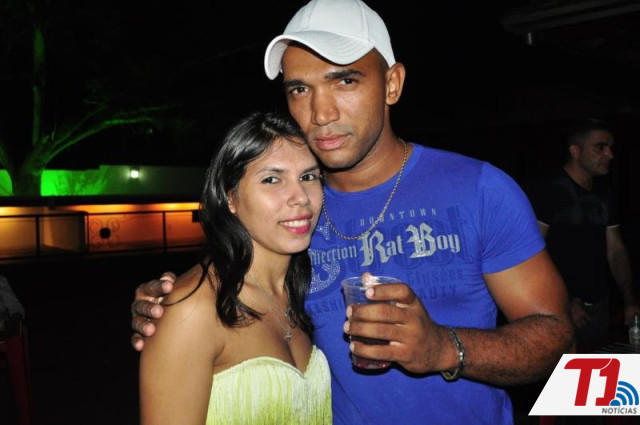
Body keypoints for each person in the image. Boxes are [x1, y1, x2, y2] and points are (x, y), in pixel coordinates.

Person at [131, 0, 574, 423]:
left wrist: (443, 348)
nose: (321, 113)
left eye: (345, 81)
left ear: (392, 84)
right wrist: (172, 309)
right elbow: (232, 292)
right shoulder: (293, 214)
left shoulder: (478, 188)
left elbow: (556, 333)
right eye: (300, 89)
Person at [138, 111, 331, 425]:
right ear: (230, 197)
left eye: (309, 177)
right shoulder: (193, 309)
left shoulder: (307, 289)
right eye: (272, 179)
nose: (300, 198)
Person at [525, 117, 639, 353]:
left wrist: (629, 300)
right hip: (556, 308)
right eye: (600, 147)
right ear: (576, 151)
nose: (609, 155)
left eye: (610, 148)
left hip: (599, 306)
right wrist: (564, 299)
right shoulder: (547, 191)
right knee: (563, 373)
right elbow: (531, 253)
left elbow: (616, 251)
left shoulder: (605, 195)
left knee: (597, 369)